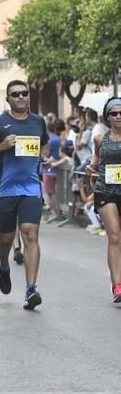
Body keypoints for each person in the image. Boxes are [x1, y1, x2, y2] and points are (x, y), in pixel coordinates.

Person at [0, 80, 48, 310]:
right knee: (6, 238)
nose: (21, 97)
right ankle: (4, 264)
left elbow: (43, 145)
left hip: (31, 188)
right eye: (15, 94)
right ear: (8, 99)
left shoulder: (38, 122)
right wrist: (2, 146)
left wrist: (42, 155)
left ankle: (30, 289)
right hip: (5, 189)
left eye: (24, 93)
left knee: (30, 234)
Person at [87, 97, 121, 303]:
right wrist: (91, 168)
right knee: (115, 237)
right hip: (106, 190)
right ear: (107, 117)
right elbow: (95, 161)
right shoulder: (100, 138)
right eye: (114, 113)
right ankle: (118, 285)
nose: (118, 116)